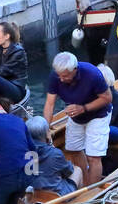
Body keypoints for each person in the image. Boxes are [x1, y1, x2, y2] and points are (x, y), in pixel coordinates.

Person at [43, 51, 112, 187]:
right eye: (59, 76)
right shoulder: (56, 76)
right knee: (73, 150)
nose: (61, 79)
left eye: (65, 76)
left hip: (98, 115)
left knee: (93, 156)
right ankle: (84, 184)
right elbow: (50, 104)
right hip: (76, 116)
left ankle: (91, 192)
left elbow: (107, 98)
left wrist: (83, 108)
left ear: (75, 69)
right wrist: (45, 129)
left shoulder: (92, 74)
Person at [26, 115, 77, 195]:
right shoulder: (55, 153)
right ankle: (79, 200)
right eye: (48, 130)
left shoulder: (22, 153)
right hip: (56, 196)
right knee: (77, 170)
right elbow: (69, 172)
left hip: (33, 195)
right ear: (46, 134)